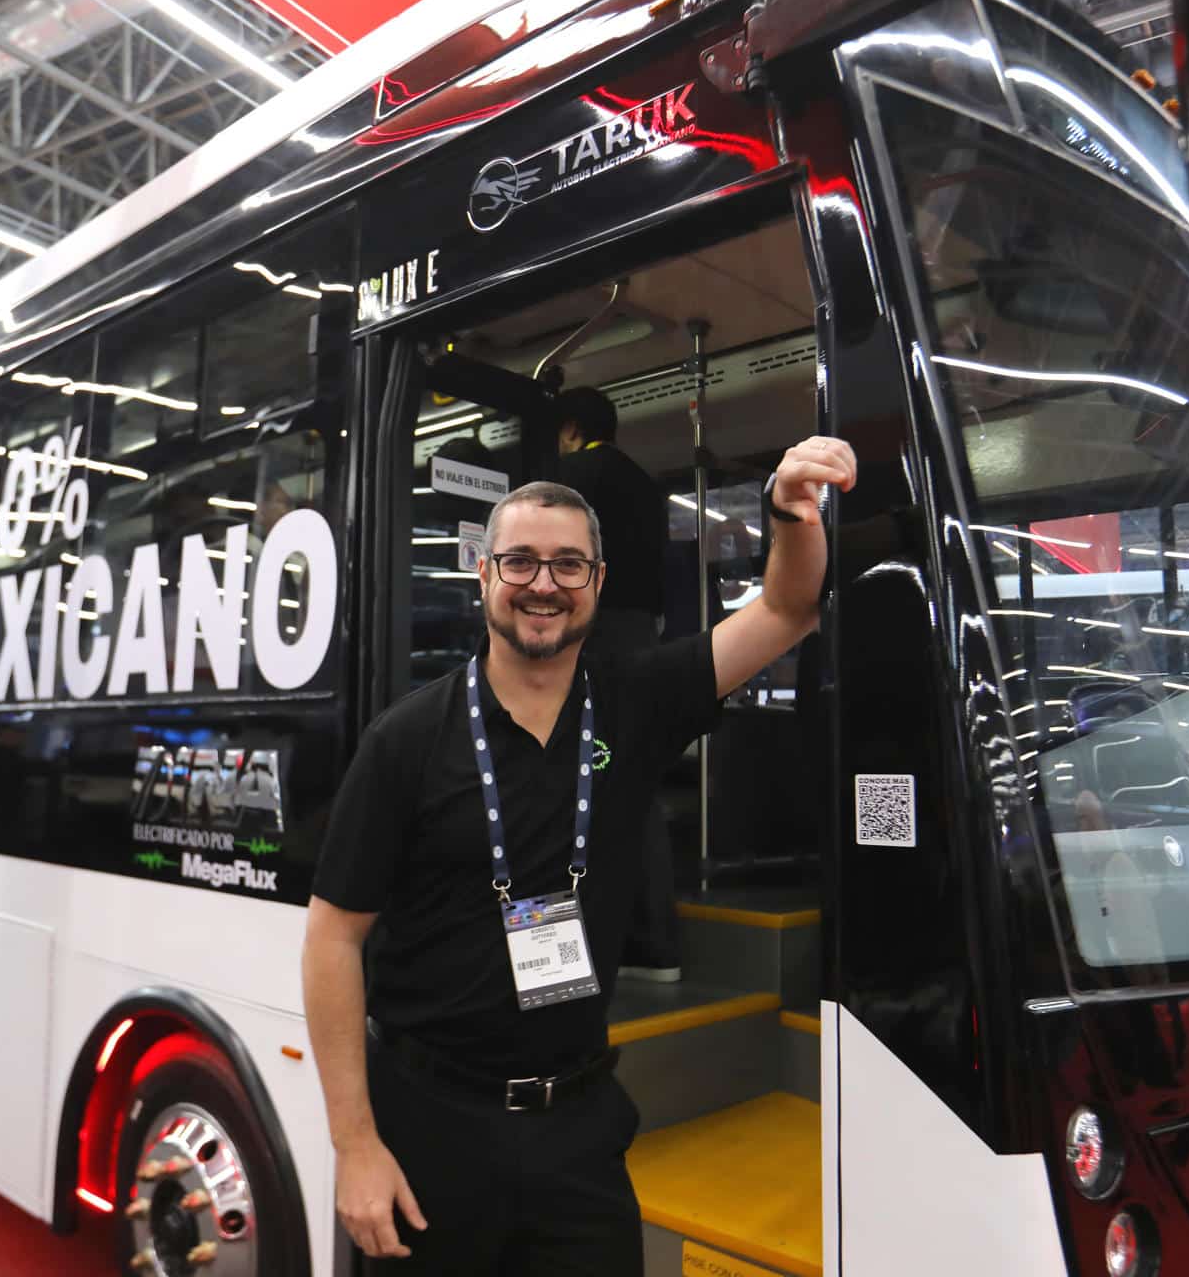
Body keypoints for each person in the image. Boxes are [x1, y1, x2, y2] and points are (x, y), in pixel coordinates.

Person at [303, 436, 855, 1272]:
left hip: (578, 1126)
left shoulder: (638, 699)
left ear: (597, 583)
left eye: (569, 566)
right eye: (520, 562)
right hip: (429, 1126)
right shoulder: (408, 740)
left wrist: (785, 510)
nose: (543, 586)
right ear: (484, 575)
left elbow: (786, 611)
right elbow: (332, 940)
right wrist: (354, 1145)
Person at [552, 387, 679, 982]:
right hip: (640, 642)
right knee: (633, 778)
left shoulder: (570, 477)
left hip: (590, 638)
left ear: (571, 428)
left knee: (562, 776)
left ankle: (571, 954)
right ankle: (655, 942)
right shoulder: (646, 486)